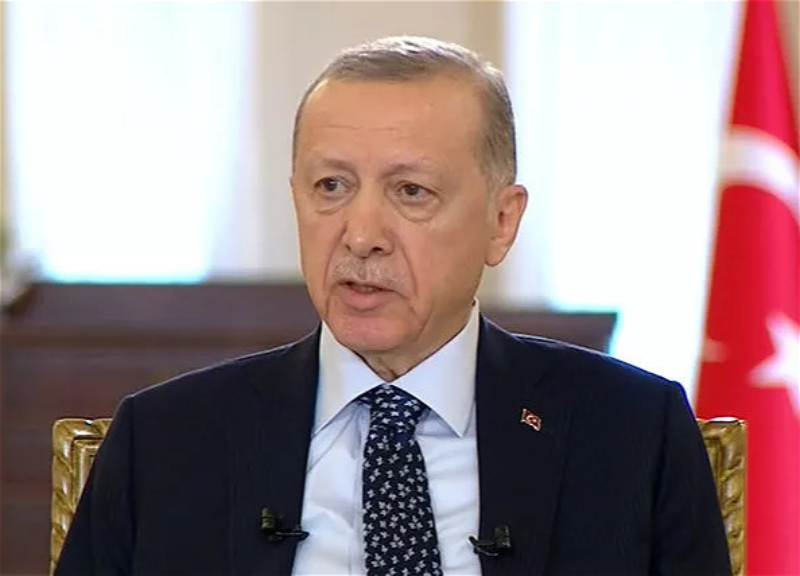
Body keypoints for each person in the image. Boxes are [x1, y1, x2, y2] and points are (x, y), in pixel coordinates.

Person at [55, 36, 730, 576]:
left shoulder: (631, 432)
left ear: (501, 221)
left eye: (411, 192)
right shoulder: (165, 440)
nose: (361, 235)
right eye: (331, 186)